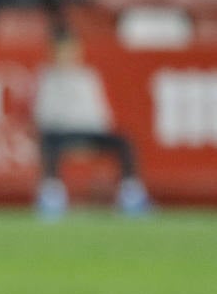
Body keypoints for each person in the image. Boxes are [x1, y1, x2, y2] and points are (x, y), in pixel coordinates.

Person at [34, 27, 150, 218]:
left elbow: (100, 113)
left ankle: (131, 194)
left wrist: (91, 130)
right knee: (48, 142)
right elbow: (43, 116)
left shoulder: (87, 77)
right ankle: (52, 195)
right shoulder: (46, 78)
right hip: (61, 133)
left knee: (124, 141)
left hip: (90, 131)